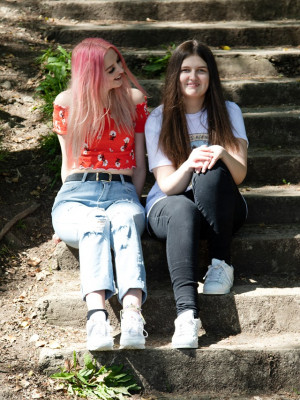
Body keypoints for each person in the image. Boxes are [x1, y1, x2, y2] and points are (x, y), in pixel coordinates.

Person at [145, 40, 248, 349]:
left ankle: (221, 263)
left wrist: (220, 152)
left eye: (201, 70)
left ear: (211, 76)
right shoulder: (158, 119)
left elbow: (240, 174)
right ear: (175, 75)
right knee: (184, 208)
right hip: (170, 208)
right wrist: (189, 162)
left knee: (213, 169)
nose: (193, 77)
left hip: (221, 206)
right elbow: (166, 185)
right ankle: (187, 316)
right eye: (186, 70)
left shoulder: (229, 112)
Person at [51, 38, 149, 351]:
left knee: (122, 219)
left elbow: (140, 165)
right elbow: (67, 167)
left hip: (121, 191)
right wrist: (65, 217)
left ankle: (133, 316)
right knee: (93, 221)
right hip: (77, 193)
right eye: (110, 68)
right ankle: (97, 318)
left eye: (119, 62)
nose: (121, 70)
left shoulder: (133, 101)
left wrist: (132, 198)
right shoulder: (66, 103)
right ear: (91, 75)